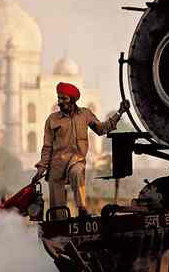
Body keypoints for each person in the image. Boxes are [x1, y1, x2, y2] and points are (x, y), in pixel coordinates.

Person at [32, 82, 130, 217]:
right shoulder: (52, 119)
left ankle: (82, 209)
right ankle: (60, 230)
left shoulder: (85, 114)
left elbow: (102, 129)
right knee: (58, 213)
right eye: (59, 98)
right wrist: (41, 168)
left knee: (77, 172)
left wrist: (119, 112)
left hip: (75, 160)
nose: (60, 102)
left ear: (72, 100)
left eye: (64, 99)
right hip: (56, 165)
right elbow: (47, 146)